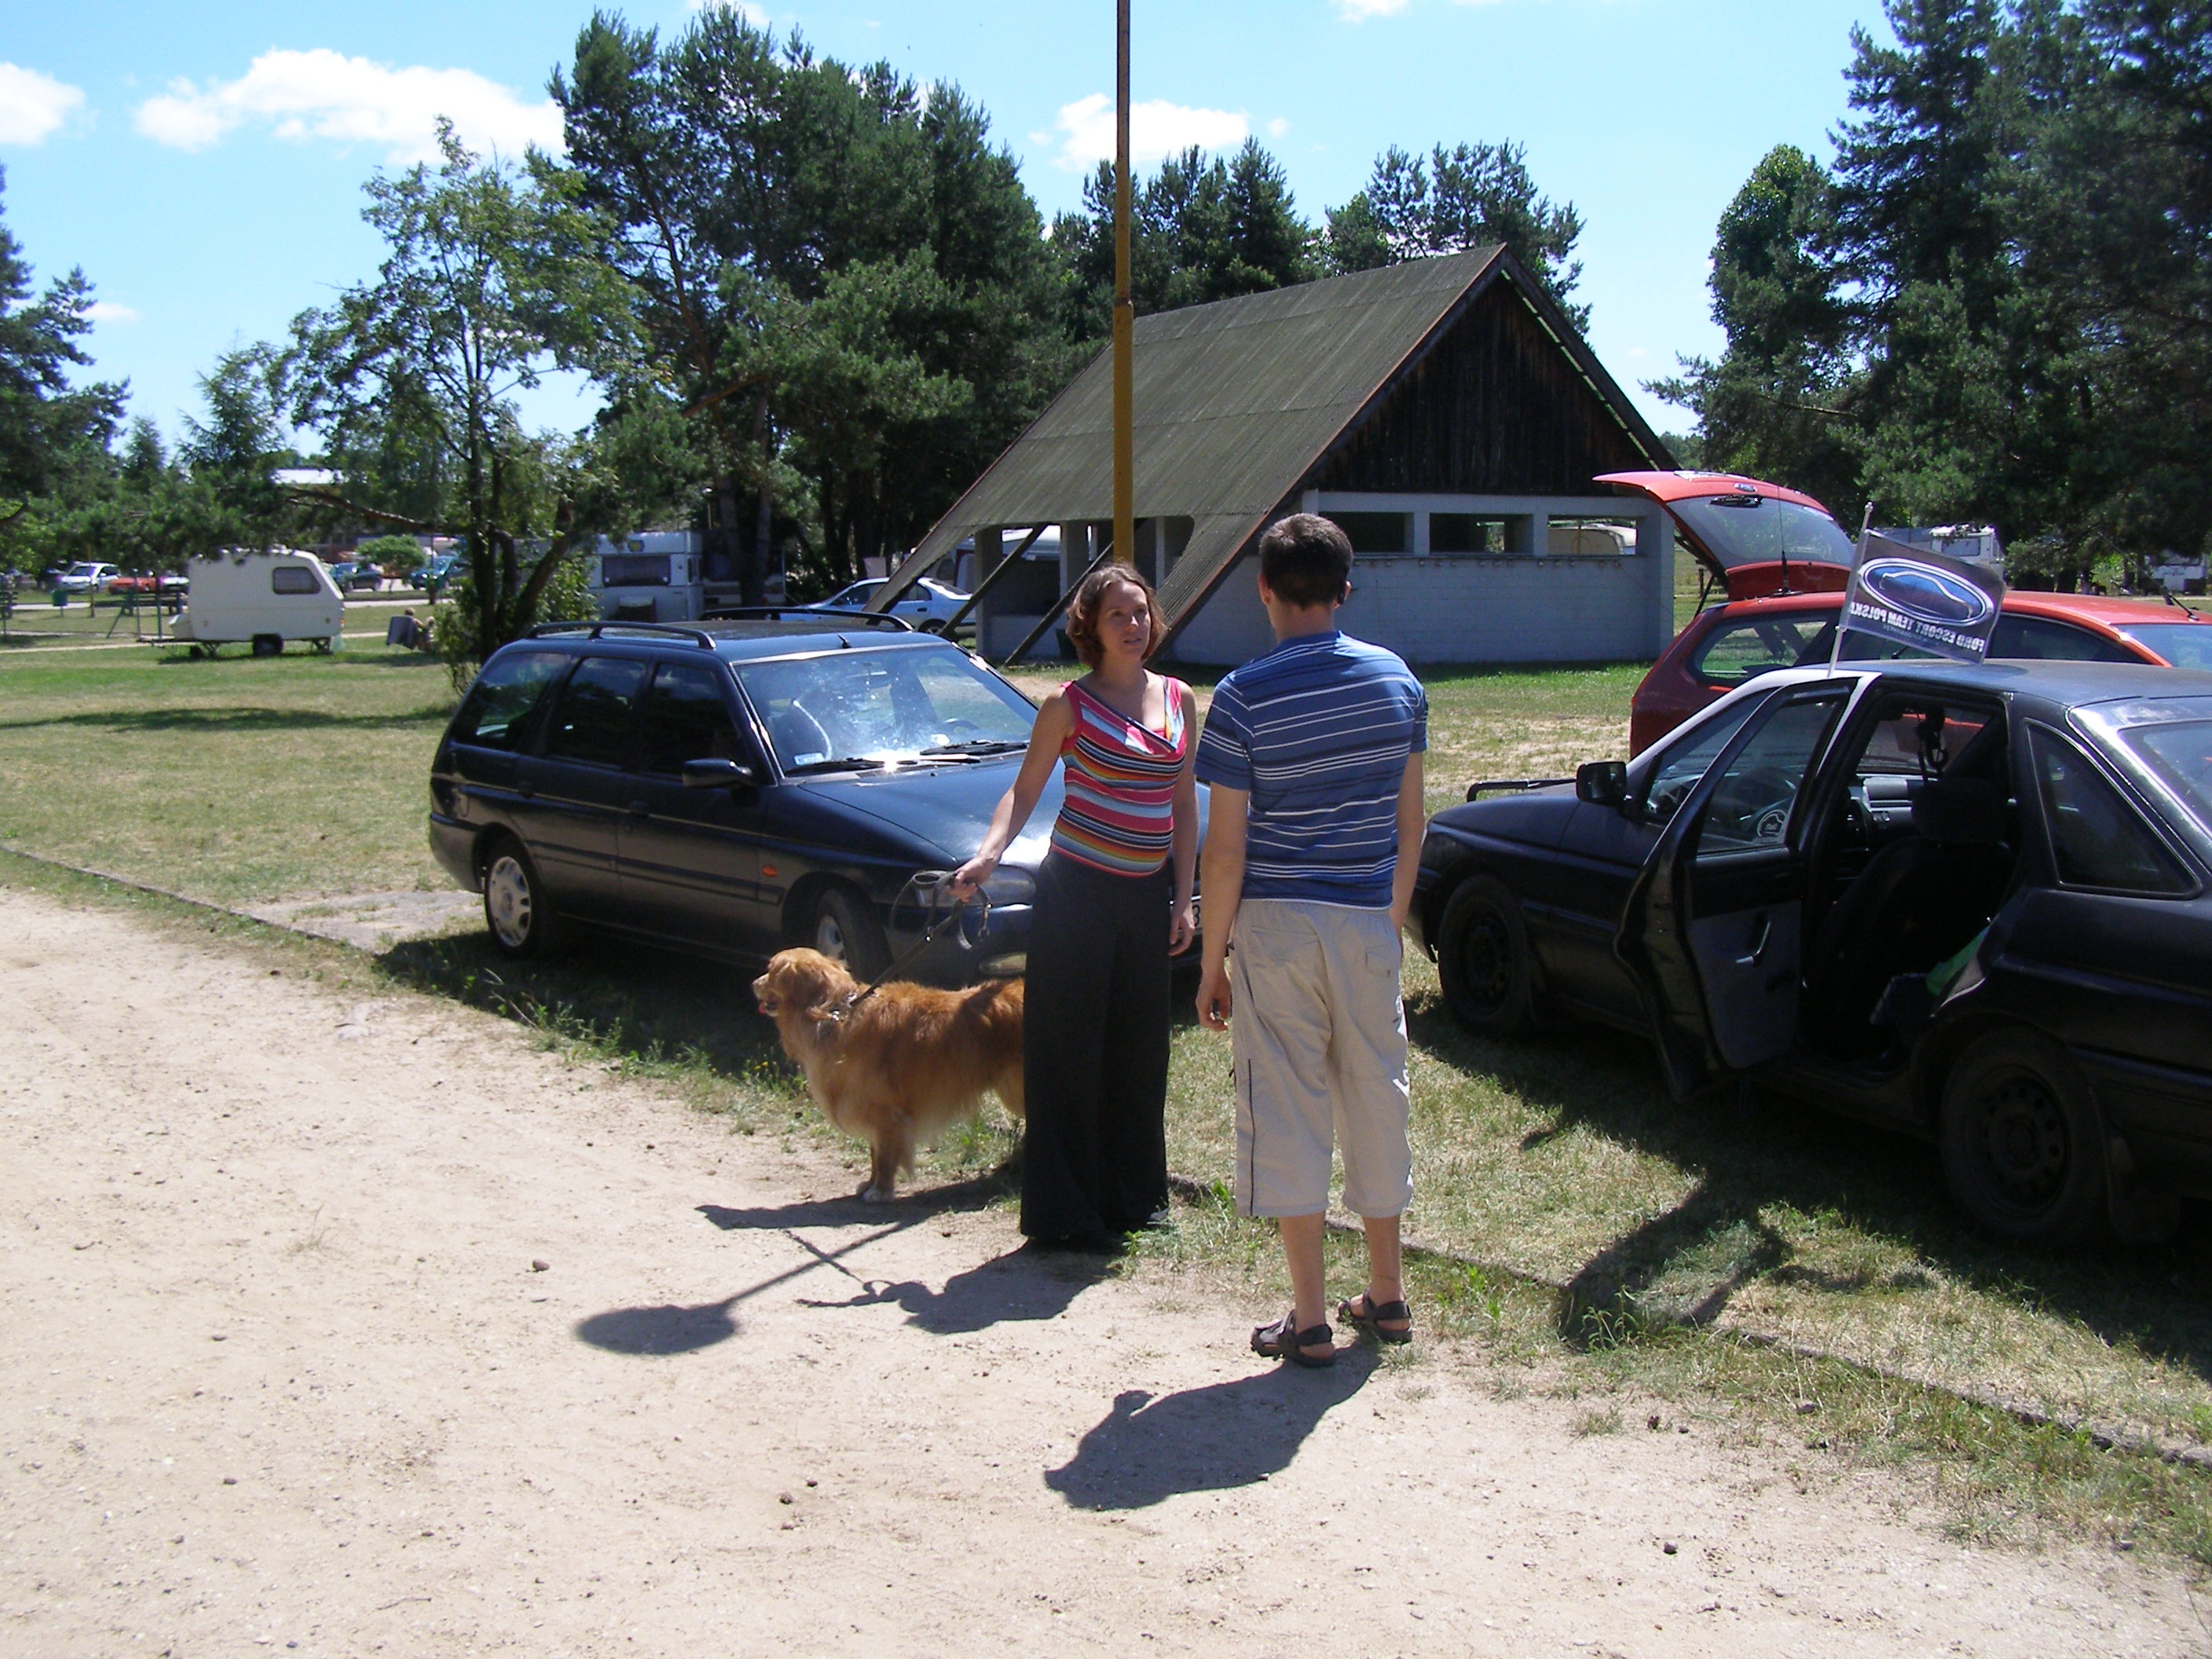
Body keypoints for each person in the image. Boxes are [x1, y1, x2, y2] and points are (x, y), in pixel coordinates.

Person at [1194, 513, 1427, 1368]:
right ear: (1344, 589)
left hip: (1278, 926)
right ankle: (1387, 1293)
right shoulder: (1398, 682)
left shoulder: (1241, 695)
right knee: (1376, 1094)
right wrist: (1386, 920)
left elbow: (1225, 852)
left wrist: (1212, 961)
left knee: (1288, 1105)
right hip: (1366, 918)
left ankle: (1309, 1318)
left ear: (1264, 590)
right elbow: (1410, 823)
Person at [950, 564, 1199, 1251]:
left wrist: (1183, 898)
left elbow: (1182, 803)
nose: (1134, 625)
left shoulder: (1179, 698)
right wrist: (989, 855)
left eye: (1141, 612)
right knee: (1069, 1053)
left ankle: (1136, 1199)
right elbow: (1024, 790)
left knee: (1140, 1051)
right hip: (1077, 895)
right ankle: (1064, 1215)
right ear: (1090, 625)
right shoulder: (1068, 705)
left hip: (1145, 896)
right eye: (1118, 614)